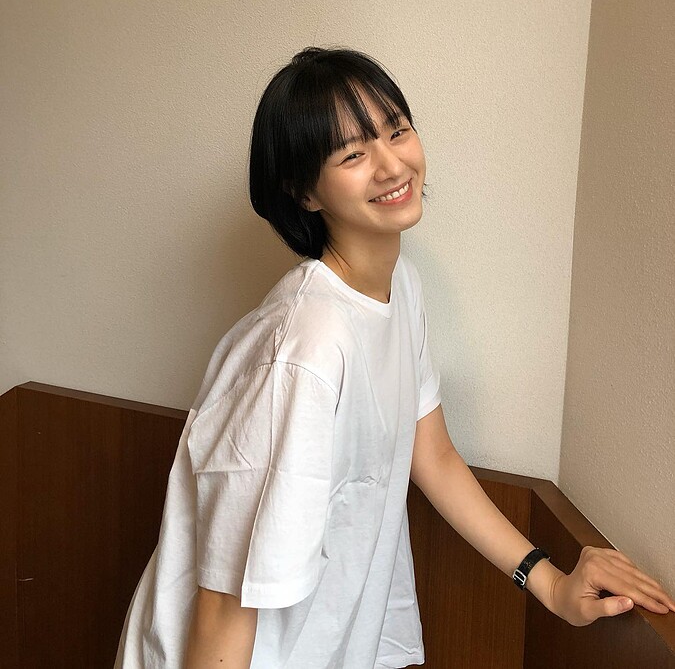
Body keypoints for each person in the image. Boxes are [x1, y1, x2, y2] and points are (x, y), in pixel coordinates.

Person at [114, 46, 675, 669]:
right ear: (304, 191)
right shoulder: (304, 349)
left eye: (396, 130)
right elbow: (225, 604)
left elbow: (431, 454)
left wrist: (550, 584)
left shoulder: (398, 287)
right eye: (352, 154)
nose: (391, 165)